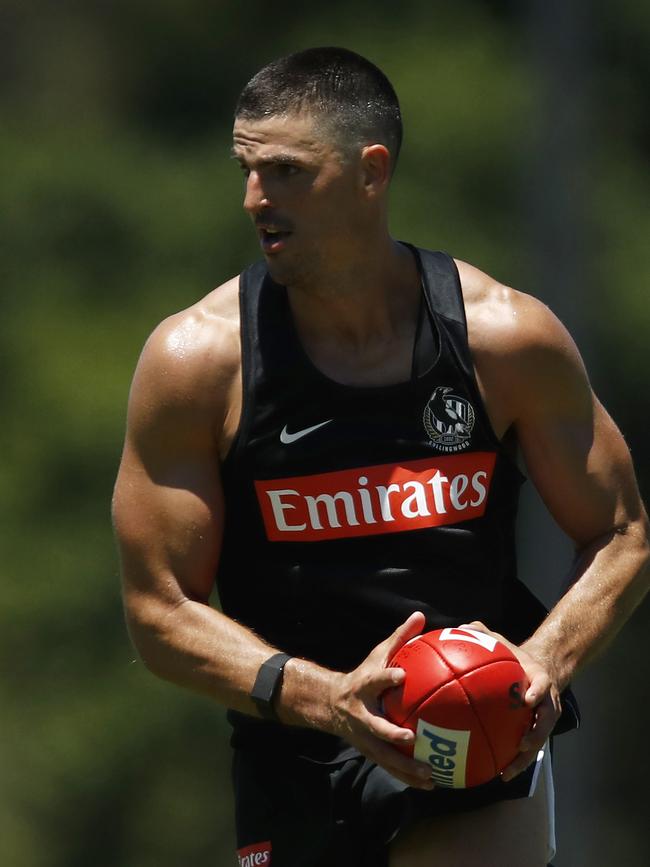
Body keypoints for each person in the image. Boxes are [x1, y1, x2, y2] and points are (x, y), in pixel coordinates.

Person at [112, 47, 649, 867]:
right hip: (293, 753)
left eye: (287, 171)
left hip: (471, 741)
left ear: (372, 171)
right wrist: (327, 698)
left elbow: (622, 534)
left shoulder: (505, 338)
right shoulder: (197, 362)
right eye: (248, 169)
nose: (256, 198)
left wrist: (541, 660)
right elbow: (157, 610)